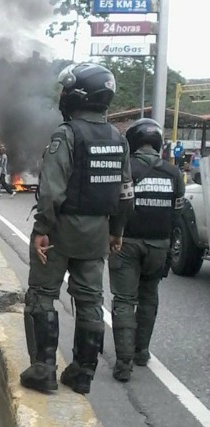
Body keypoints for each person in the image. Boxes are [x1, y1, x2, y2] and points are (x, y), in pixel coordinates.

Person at [19, 63, 134, 395]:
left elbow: (52, 191)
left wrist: (41, 228)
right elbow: (126, 193)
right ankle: (83, 373)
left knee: (41, 296)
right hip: (99, 232)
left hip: (60, 231)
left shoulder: (66, 134)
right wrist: (117, 230)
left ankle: (43, 370)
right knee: (90, 301)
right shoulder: (118, 139)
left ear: (77, 94)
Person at [108, 118, 184, 382]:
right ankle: (141, 351)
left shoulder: (125, 168)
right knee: (149, 296)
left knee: (124, 300)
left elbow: (114, 206)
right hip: (159, 245)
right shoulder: (174, 174)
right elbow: (177, 216)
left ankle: (124, 363)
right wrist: (169, 255)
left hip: (126, 243)